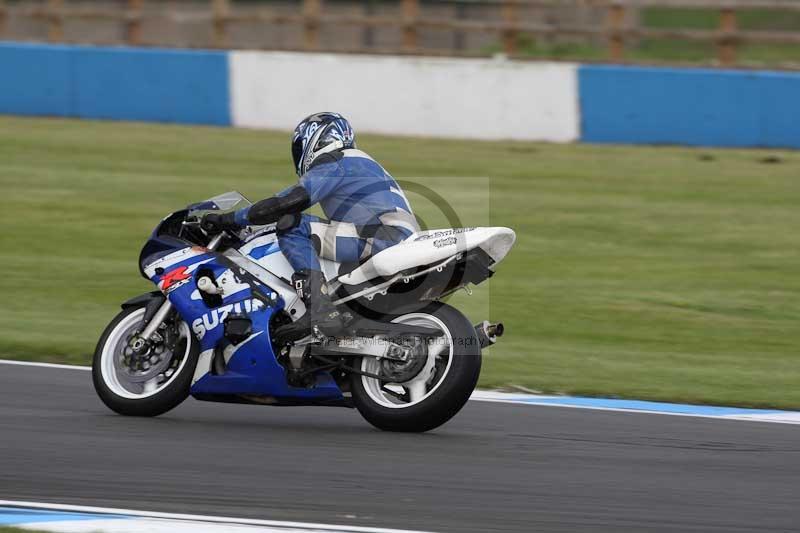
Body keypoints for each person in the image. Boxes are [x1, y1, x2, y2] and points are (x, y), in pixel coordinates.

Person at [201, 112, 418, 336]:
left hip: (382, 237)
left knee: (292, 223)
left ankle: (321, 311)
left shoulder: (337, 161)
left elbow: (287, 202)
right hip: (393, 237)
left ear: (316, 139)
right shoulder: (361, 162)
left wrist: (229, 219)